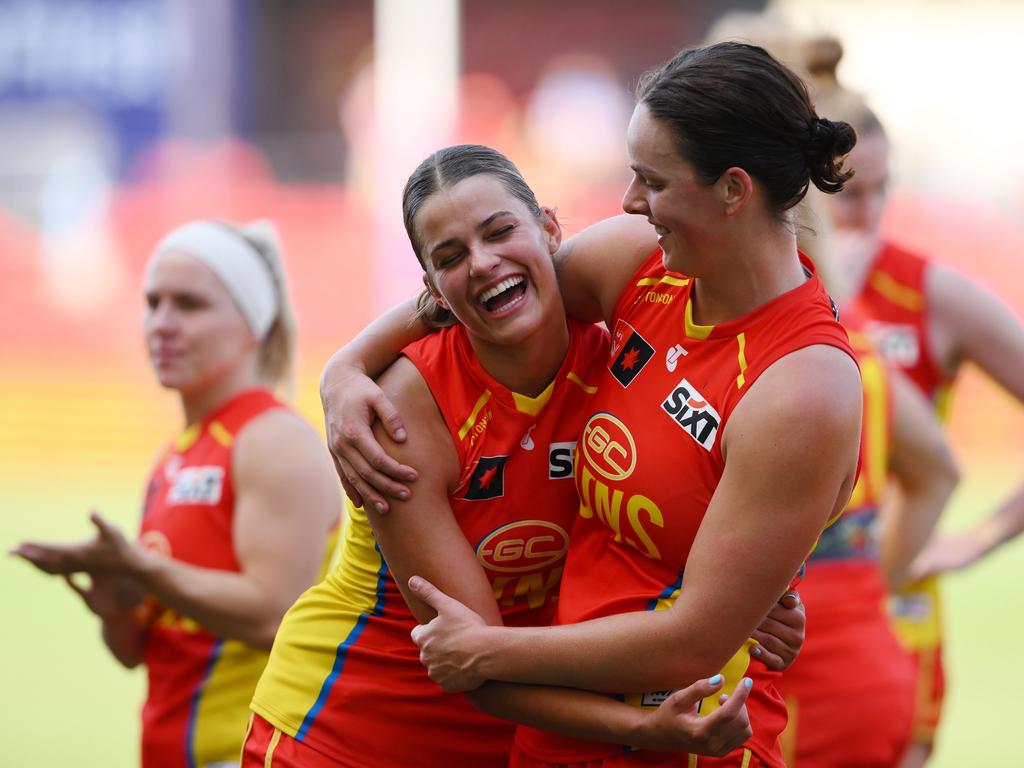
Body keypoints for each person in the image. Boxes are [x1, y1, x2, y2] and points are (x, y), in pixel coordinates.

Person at [323, 42, 863, 767]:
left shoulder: (803, 388)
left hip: (688, 736)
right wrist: (347, 365)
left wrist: (488, 652)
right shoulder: (643, 261)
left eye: (652, 181)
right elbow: (495, 290)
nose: (630, 202)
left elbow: (691, 642)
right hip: (555, 736)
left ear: (733, 190)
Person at [243, 144, 788, 768]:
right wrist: (641, 726)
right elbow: (472, 659)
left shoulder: (625, 359)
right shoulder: (403, 410)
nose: (482, 264)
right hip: (349, 733)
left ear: (551, 229)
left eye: (500, 231)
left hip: (521, 736)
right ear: (433, 289)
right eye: (450, 257)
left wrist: (751, 603)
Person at [13, 219, 341, 768]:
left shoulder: (272, 439)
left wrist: (141, 569)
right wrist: (119, 607)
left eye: (189, 305)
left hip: (251, 752)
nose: (161, 324)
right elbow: (138, 653)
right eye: (152, 302)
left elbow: (275, 616)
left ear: (252, 325)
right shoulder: (174, 458)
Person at [810, 56, 1024, 766]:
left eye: (883, 189)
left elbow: (935, 467)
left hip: (889, 603)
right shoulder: (757, 290)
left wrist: (984, 536)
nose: (867, 213)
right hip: (766, 607)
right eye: (846, 192)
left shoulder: (928, 293)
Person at [774, 305, 958, 767]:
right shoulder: (852, 339)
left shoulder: (800, 342)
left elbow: (938, 472)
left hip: (814, 669)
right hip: (854, 658)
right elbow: (937, 471)